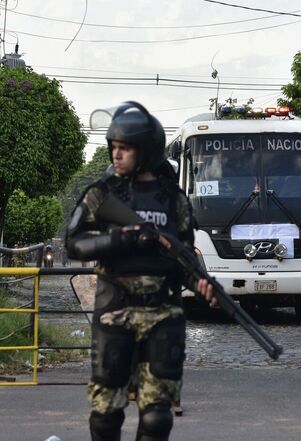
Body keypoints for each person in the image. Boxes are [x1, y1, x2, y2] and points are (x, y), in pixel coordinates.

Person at [65, 102, 217, 441]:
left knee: (157, 419)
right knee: (106, 415)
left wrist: (200, 282)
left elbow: (184, 256)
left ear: (145, 151)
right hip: (114, 314)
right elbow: (74, 244)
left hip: (163, 315)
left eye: (125, 148)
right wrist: (120, 238)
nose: (116, 155)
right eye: (114, 148)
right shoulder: (101, 195)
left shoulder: (174, 200)